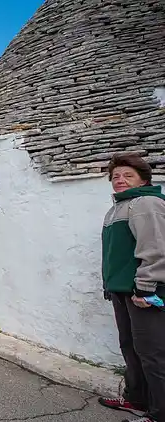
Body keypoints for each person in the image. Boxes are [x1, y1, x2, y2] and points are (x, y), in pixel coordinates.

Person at [99, 154, 165, 422]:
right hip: (123, 290)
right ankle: (136, 398)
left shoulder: (147, 203)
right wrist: (111, 285)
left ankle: (160, 414)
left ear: (143, 180)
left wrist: (146, 288)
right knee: (130, 347)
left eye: (128, 175)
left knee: (153, 353)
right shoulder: (118, 208)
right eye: (115, 176)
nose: (120, 180)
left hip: (144, 292)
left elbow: (156, 249)